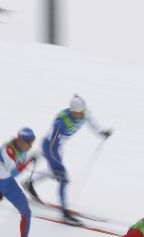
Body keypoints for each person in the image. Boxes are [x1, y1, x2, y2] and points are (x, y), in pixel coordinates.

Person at [23, 94, 113, 225]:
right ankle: (65, 214)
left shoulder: (83, 113)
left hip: (58, 147)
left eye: (82, 112)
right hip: (50, 147)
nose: (81, 115)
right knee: (63, 179)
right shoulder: (61, 123)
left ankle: (29, 183)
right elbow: (52, 146)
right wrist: (58, 165)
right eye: (78, 113)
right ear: (72, 111)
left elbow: (91, 121)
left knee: (54, 173)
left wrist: (101, 132)